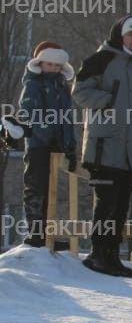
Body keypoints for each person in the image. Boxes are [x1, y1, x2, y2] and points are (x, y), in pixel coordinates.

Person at [73, 16, 132, 277]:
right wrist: (108, 100)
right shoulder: (100, 60)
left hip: (130, 151)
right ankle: (98, 254)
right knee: (105, 204)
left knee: (120, 206)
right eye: (131, 34)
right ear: (120, 35)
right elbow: (79, 91)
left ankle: (112, 256)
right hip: (104, 147)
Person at [17, 41, 77, 248]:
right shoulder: (33, 84)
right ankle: (36, 233)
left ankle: (50, 235)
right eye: (49, 64)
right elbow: (28, 113)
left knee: (55, 190)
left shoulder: (62, 87)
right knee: (36, 187)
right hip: (38, 145)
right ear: (40, 63)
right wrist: (45, 134)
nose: (52, 69)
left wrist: (71, 144)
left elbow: (68, 118)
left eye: (57, 65)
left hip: (58, 146)